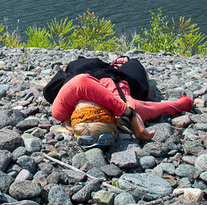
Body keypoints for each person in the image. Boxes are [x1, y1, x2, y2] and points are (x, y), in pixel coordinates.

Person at [47, 56, 193, 148]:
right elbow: (177, 105)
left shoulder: (59, 112)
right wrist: (185, 103)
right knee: (134, 65)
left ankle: (116, 65)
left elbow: (81, 81)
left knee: (133, 63)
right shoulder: (132, 107)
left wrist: (128, 113)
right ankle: (118, 63)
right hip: (91, 69)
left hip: (99, 72)